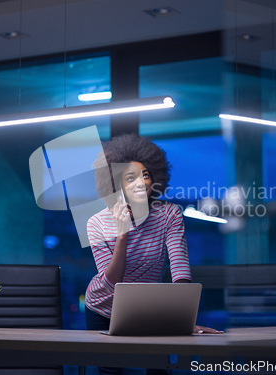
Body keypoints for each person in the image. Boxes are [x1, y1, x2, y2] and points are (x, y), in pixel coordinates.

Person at [84, 134, 222, 375]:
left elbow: (180, 271)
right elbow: (111, 282)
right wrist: (122, 233)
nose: (141, 182)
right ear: (116, 184)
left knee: (160, 369)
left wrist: (184, 320)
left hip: (151, 309)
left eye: (145, 175)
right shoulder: (96, 223)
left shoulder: (169, 215)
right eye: (130, 177)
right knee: (112, 371)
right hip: (104, 308)